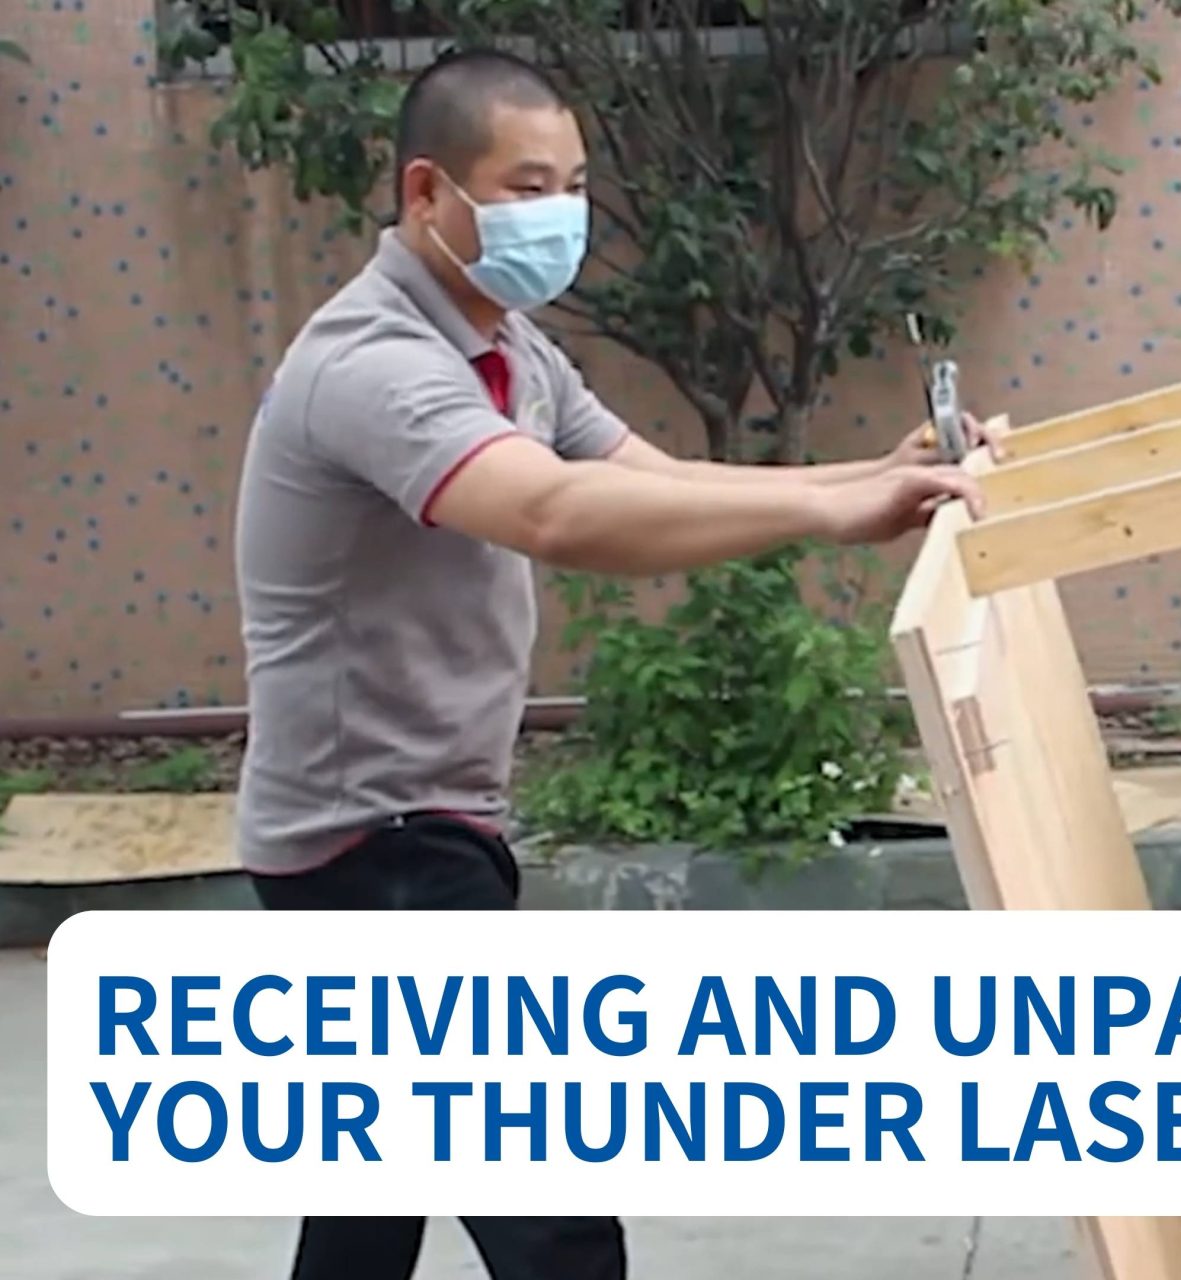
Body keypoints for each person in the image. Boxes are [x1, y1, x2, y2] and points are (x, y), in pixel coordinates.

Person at [229, 45, 995, 1280]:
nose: (562, 213)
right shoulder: (372, 365)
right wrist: (831, 515)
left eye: (574, 182)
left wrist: (885, 473)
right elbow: (557, 516)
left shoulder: (510, 347)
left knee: (371, 1193)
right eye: (528, 185)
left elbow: (654, 478)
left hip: (417, 825)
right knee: (548, 1208)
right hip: (371, 844)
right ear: (428, 194)